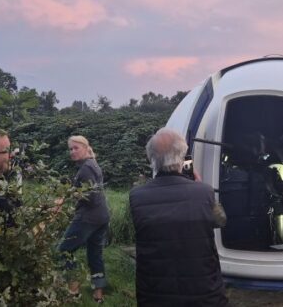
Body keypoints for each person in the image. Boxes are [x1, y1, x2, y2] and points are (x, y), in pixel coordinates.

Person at [130, 128, 228, 307]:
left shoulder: (137, 196)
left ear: (151, 158)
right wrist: (200, 188)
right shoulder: (203, 192)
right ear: (183, 157)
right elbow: (220, 221)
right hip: (204, 293)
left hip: (155, 294)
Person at [56, 135, 109, 303]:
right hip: (102, 216)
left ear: (86, 148)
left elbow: (91, 197)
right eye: (70, 149)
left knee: (63, 251)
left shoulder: (86, 168)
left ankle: (74, 287)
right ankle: (98, 294)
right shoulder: (92, 164)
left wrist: (73, 197)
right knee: (95, 253)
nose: (72, 152)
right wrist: (66, 197)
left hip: (88, 218)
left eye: (76, 148)